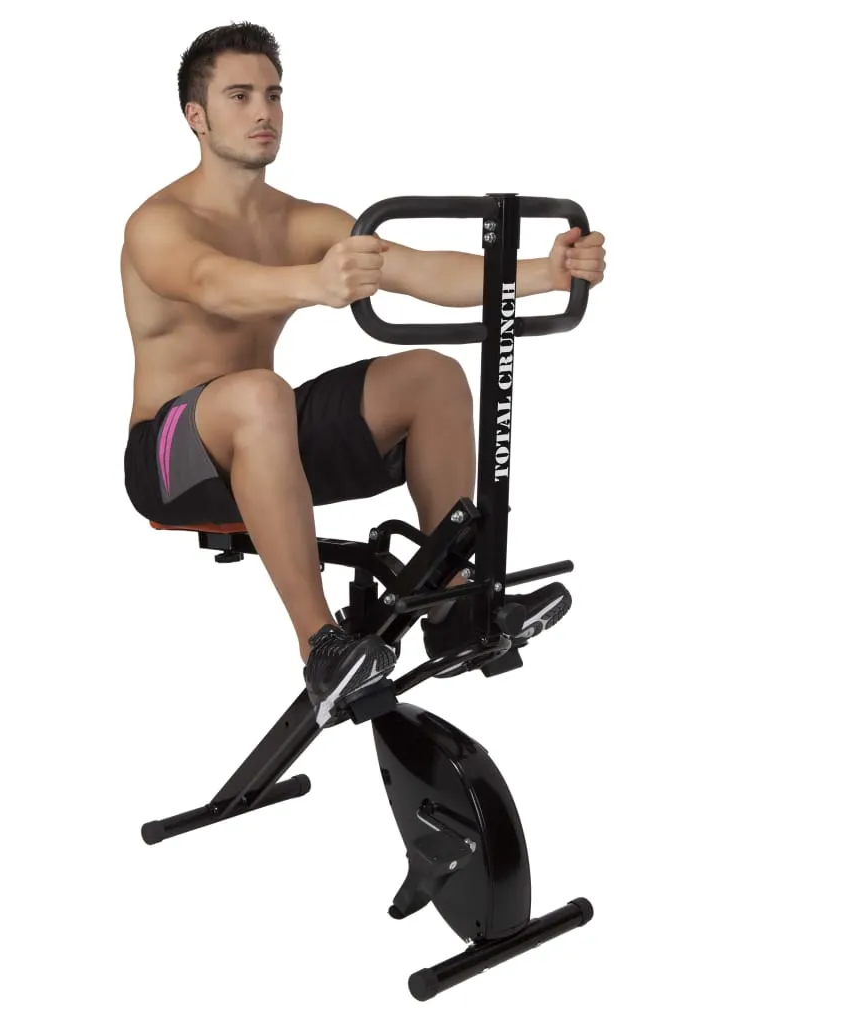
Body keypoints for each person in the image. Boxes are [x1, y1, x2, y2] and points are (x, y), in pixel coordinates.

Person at [121, 23, 607, 728]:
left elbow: (418, 269)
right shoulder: (158, 223)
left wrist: (545, 272)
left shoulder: (302, 221)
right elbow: (210, 282)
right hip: (170, 460)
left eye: (273, 94)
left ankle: (453, 605)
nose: (263, 112)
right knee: (260, 394)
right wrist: (313, 283)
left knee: (432, 376)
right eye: (239, 96)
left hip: (266, 439)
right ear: (196, 116)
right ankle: (321, 647)